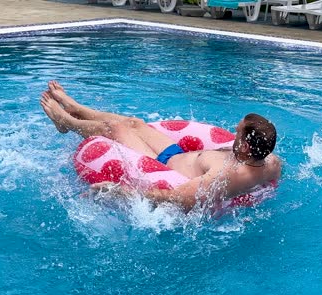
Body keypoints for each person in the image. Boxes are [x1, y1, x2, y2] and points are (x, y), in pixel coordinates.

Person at [40, 81, 281, 212]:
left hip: (161, 167)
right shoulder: (270, 161)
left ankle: (66, 122)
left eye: (237, 132)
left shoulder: (224, 176)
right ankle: (79, 109)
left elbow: (180, 199)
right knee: (135, 123)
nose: (233, 131)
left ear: (247, 148)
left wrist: (120, 192)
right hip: (177, 155)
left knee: (117, 130)